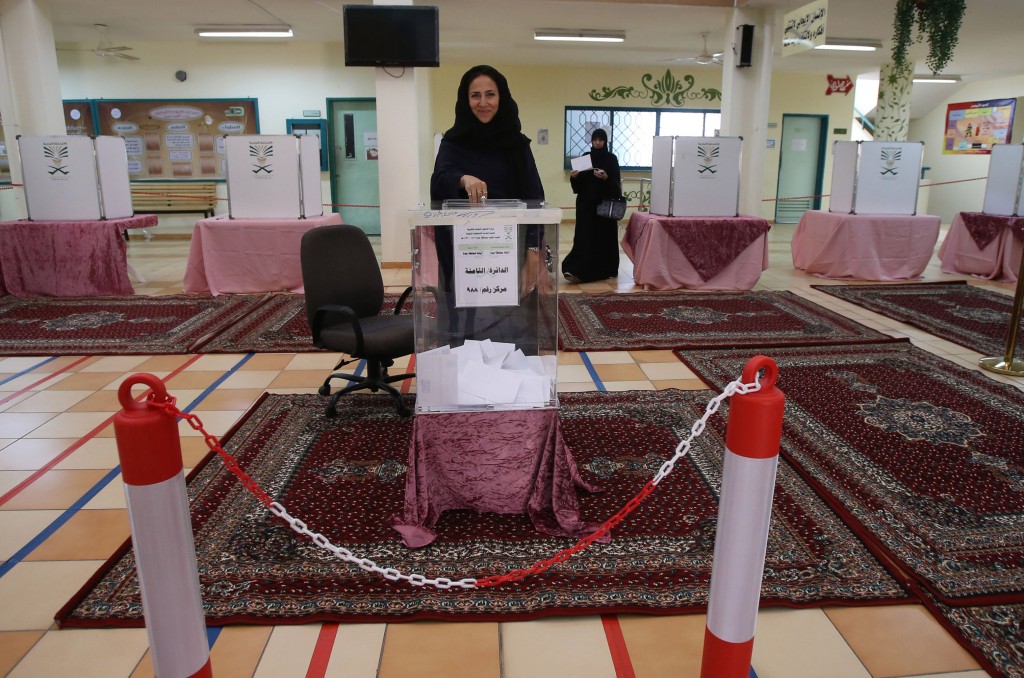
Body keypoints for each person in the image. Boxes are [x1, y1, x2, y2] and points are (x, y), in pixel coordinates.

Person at [428, 65, 554, 352]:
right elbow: (438, 182)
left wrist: (533, 254)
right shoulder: (453, 142)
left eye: (490, 94)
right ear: (464, 99)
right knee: (464, 321)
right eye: (475, 95)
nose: (483, 103)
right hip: (464, 252)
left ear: (502, 97)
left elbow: (535, 197)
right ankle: (463, 374)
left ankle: (511, 382)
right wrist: (461, 178)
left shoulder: (516, 145)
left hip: (508, 249)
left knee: (509, 323)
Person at [561, 127, 623, 283]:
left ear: (605, 141)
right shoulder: (585, 158)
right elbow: (578, 186)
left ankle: (605, 269)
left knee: (603, 238)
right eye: (595, 140)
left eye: (600, 140)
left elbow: (616, 184)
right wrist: (574, 177)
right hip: (586, 206)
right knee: (584, 237)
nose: (597, 143)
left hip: (603, 206)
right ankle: (575, 268)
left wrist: (605, 177)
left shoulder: (611, 159)